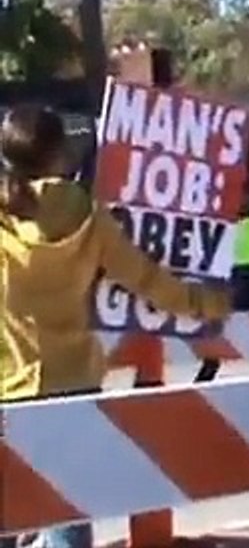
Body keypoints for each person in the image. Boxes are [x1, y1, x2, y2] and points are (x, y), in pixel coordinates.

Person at [0, 105, 230, 548]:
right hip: (74, 383)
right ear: (60, 154)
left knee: (9, 508)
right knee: (67, 505)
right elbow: (146, 280)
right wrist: (205, 303)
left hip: (7, 386)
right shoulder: (89, 216)